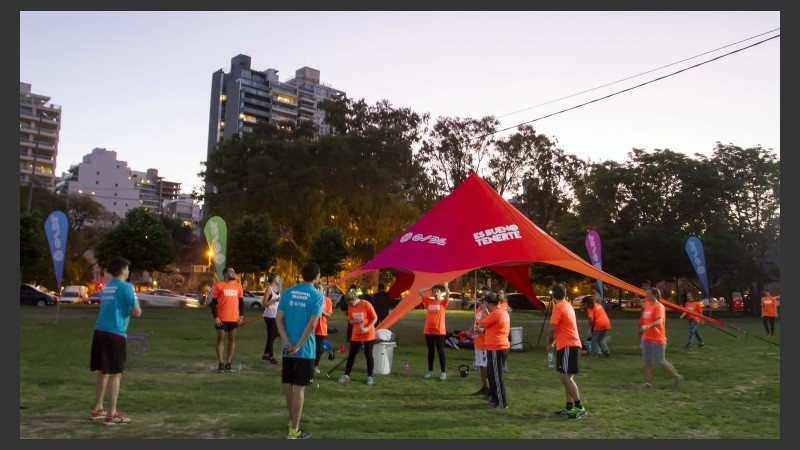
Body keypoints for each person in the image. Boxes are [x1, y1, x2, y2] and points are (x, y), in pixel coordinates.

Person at [89, 256, 142, 425]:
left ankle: (98, 408)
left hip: (100, 331)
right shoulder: (127, 287)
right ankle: (111, 414)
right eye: (127, 269)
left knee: (104, 372)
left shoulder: (106, 287)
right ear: (122, 270)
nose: (128, 271)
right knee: (115, 374)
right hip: (115, 333)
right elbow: (137, 312)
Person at [275, 262, 323, 440]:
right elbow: (312, 325)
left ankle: (291, 422)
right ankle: (294, 430)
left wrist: (287, 341)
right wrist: (298, 345)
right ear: (317, 276)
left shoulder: (288, 292)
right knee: (299, 388)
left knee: (289, 385)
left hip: (287, 348)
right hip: (305, 350)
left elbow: (278, 319)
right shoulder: (317, 296)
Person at [547, 283, 587, 419]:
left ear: (553, 295)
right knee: (567, 377)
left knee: (565, 377)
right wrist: (553, 342)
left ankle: (579, 407)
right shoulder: (567, 305)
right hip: (570, 344)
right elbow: (561, 327)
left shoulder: (558, 307)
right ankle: (569, 406)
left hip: (568, 345)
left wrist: (548, 342)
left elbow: (552, 328)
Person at [639, 287, 684, 388]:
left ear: (654, 295)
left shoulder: (659, 306)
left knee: (660, 361)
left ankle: (676, 376)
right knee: (646, 361)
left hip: (657, 338)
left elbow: (659, 321)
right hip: (646, 338)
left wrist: (647, 326)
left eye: (648, 294)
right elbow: (644, 319)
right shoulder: (648, 306)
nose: (646, 296)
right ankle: (648, 383)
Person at [477, 292, 510, 408]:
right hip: (495, 347)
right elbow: (487, 324)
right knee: (491, 374)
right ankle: (495, 399)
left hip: (497, 347)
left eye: (486, 304)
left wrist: (483, 310)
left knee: (496, 376)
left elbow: (481, 324)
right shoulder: (501, 312)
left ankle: (501, 402)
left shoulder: (496, 313)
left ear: (490, 304)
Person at [338, 291, 378, 385]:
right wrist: (356, 320)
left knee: (368, 354)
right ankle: (346, 375)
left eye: (350, 303)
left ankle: (370, 377)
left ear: (354, 299)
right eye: (348, 304)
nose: (350, 305)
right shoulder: (350, 306)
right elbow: (350, 321)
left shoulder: (366, 304)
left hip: (368, 333)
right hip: (356, 334)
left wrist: (367, 328)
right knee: (351, 354)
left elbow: (375, 318)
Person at [209, 266, 244, 372]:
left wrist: (241, 315)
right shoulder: (219, 286)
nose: (233, 273)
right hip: (221, 318)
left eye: (234, 271)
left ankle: (228, 363)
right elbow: (213, 303)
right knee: (220, 338)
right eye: (231, 272)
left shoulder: (238, 286)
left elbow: (241, 302)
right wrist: (216, 317)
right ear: (225, 274)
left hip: (234, 318)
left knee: (232, 339)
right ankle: (220, 363)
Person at [418, 282, 450, 381]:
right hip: (428, 330)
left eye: (437, 292)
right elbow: (420, 291)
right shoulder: (428, 301)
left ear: (441, 293)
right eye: (434, 292)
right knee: (430, 351)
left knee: (440, 351)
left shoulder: (443, 303)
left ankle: (443, 372)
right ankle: (430, 371)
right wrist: (431, 287)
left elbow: (448, 294)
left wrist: (445, 287)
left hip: (439, 331)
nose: (435, 293)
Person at [469, 295, 490, 397]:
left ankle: (490, 388)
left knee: (486, 366)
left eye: (484, 299)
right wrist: (472, 328)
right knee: (481, 366)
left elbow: (490, 325)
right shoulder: (479, 309)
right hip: (478, 341)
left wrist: (482, 330)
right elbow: (477, 322)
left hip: (485, 343)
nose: (481, 301)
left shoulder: (489, 311)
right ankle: (484, 387)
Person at [313, 281, 334, 374]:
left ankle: (315, 366)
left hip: (321, 328)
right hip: (310, 327)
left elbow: (329, 314)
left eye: (319, 288)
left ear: (323, 290)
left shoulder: (327, 301)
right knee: (308, 347)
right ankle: (307, 364)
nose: (318, 290)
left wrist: (321, 311)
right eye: (316, 288)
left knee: (318, 348)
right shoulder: (311, 299)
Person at [261, 272, 281, 364]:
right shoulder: (268, 289)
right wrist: (273, 300)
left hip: (275, 315)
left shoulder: (277, 288)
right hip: (269, 315)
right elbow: (264, 304)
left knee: (274, 334)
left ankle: (266, 354)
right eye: (277, 277)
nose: (279, 279)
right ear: (273, 279)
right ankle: (271, 357)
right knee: (271, 335)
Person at [585, 291, 611, 357]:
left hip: (599, 323)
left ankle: (593, 353)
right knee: (601, 339)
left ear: (586, 303)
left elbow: (590, 319)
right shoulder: (598, 305)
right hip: (607, 322)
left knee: (594, 339)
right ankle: (606, 351)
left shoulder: (590, 308)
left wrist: (590, 328)